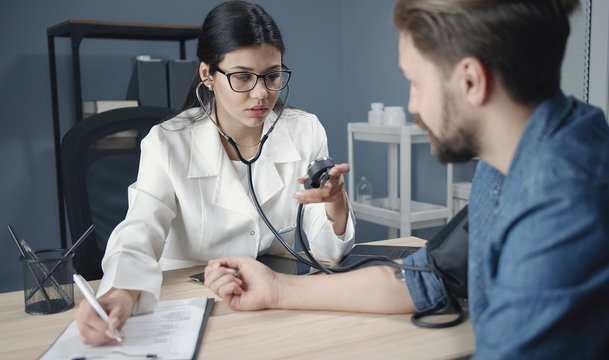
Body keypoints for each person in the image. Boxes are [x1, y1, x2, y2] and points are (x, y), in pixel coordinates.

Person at [205, 0, 609, 357]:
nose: (412, 104)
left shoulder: (564, 205)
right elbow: (425, 278)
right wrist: (276, 289)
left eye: (415, 82)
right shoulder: (512, 156)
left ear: (470, 81)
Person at [74, 1, 355, 345]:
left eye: (272, 75)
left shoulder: (304, 130)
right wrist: (121, 294)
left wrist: (335, 202)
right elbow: (140, 230)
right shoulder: (168, 142)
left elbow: (326, 253)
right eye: (242, 77)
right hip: (189, 303)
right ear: (208, 75)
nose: (261, 93)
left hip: (267, 299)